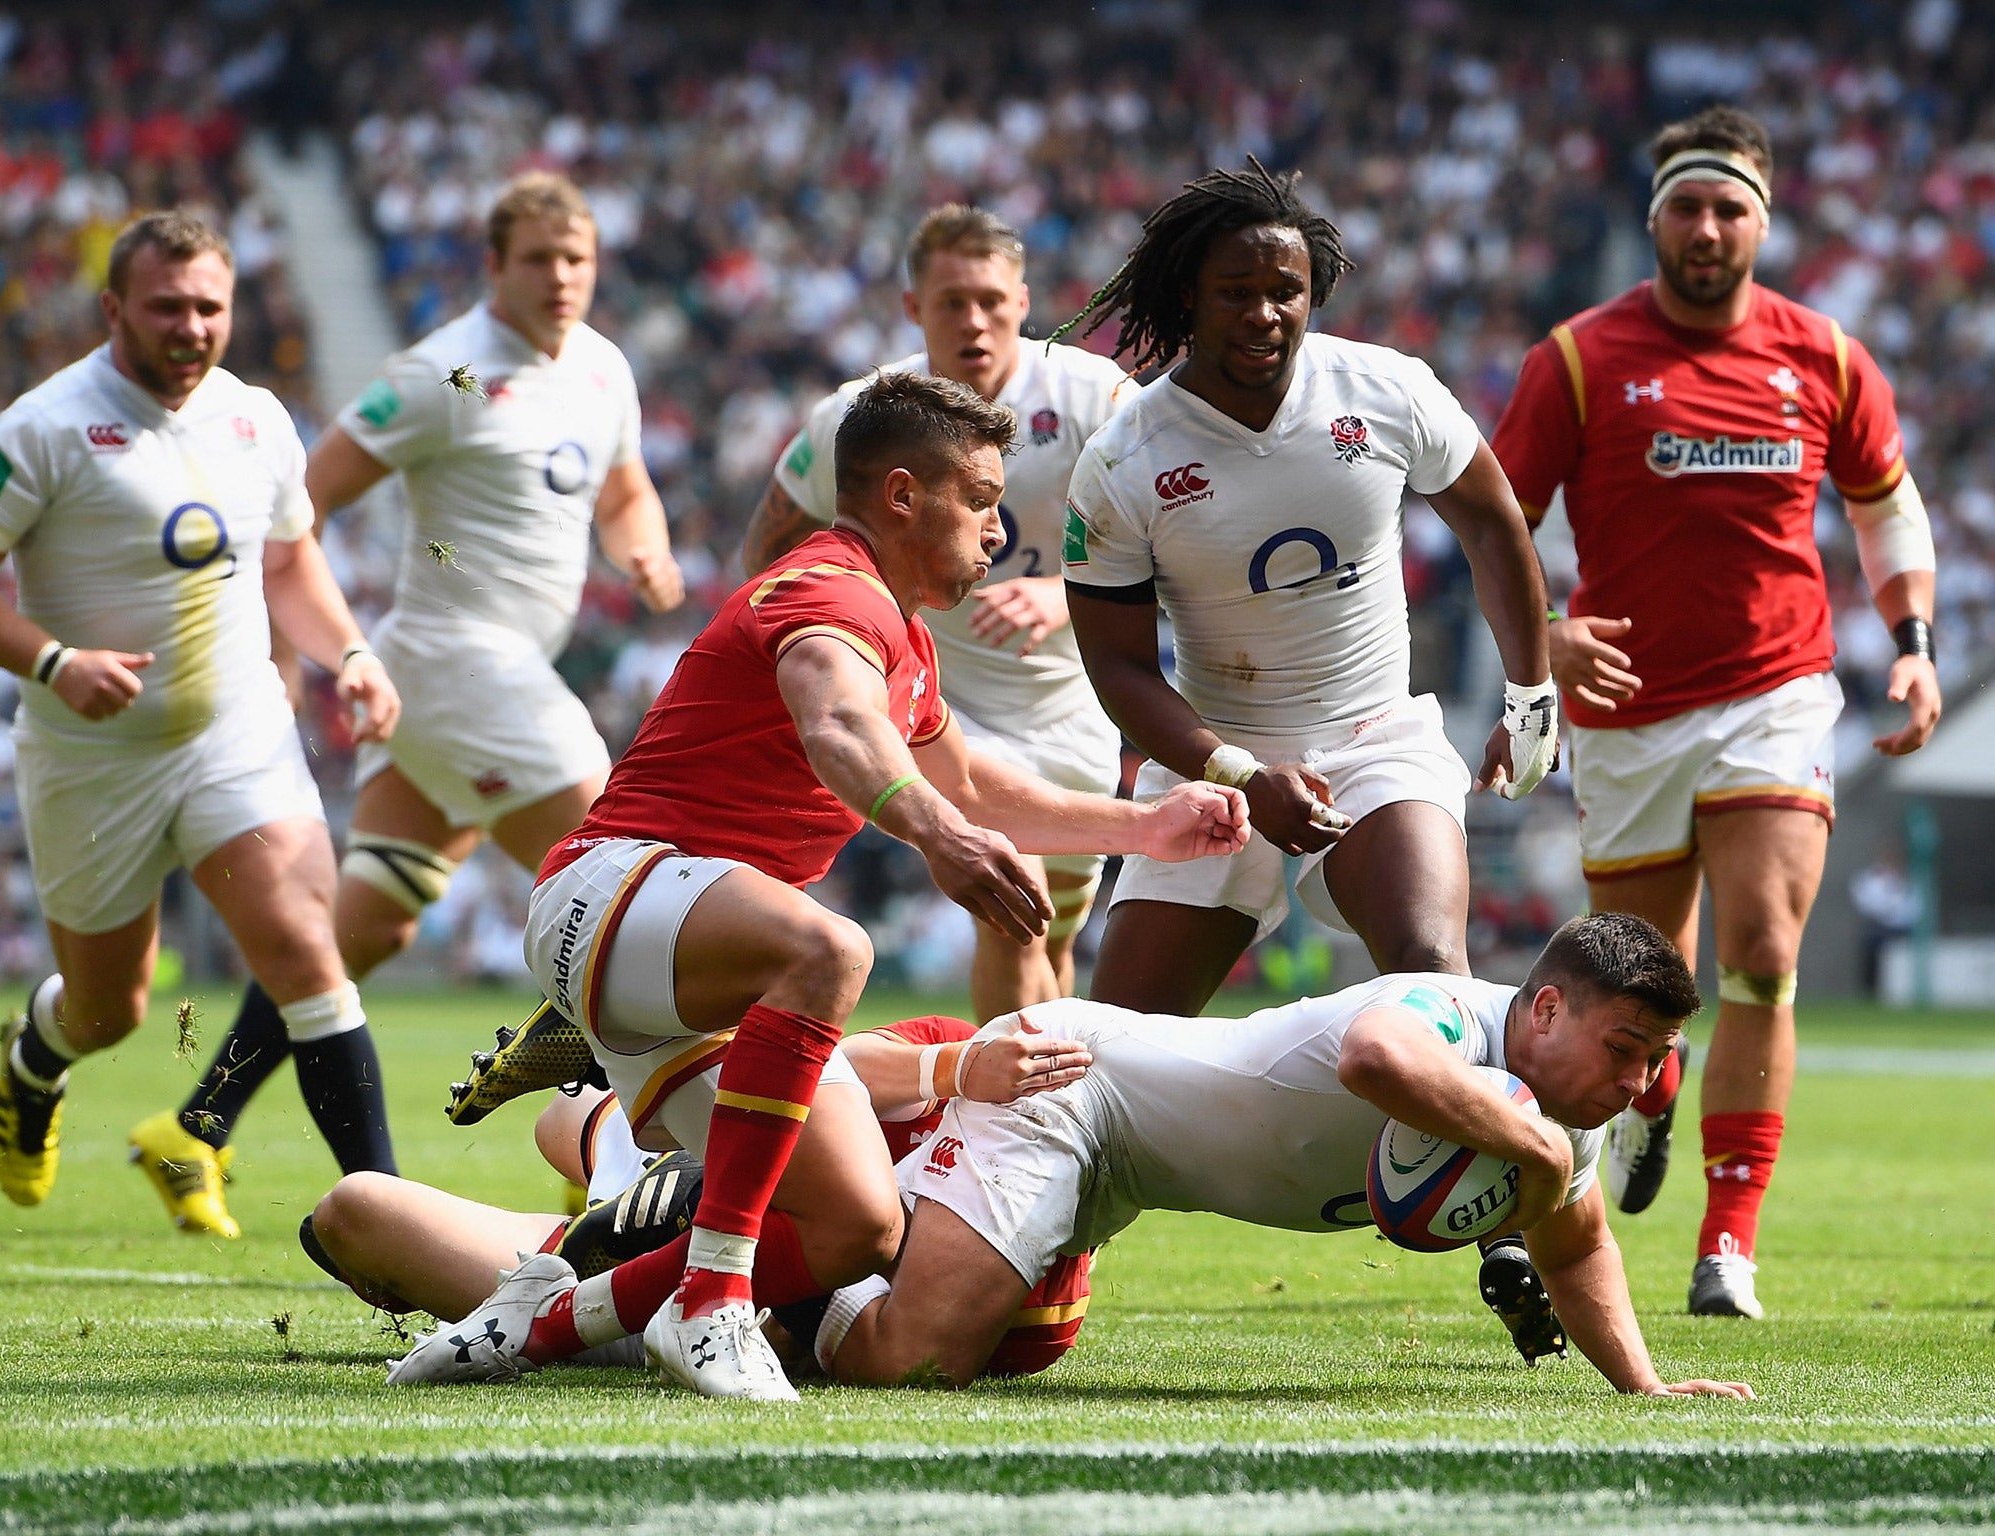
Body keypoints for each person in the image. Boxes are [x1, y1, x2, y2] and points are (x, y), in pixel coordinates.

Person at [390, 371, 1248, 1401]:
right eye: (978, 499)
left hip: (706, 980)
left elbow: (970, 787)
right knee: (831, 947)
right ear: (898, 494)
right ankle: (708, 1301)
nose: (994, 531)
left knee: (852, 1229)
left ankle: (553, 1315)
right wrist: (939, 840)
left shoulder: (907, 642)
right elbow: (837, 723)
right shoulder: (830, 590)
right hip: (609, 889)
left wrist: (1145, 825)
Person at [1056, 159, 1559, 1347]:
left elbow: (1490, 515)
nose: (1264, 314)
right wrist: (1233, 772)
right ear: (1187, 297)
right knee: (1104, 1047)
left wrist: (1530, 693)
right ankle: (1023, 1259)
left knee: (1430, 961)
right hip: (1212, 763)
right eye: (1235, 291)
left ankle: (1497, 1228)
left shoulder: (1381, 389)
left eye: (1285, 289)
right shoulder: (1125, 458)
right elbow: (1120, 670)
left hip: (1374, 737)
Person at [153, 174, 686, 1226]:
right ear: (493, 268)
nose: (560, 278)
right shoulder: (444, 370)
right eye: (537, 259)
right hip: (454, 660)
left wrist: (645, 552)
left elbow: (624, 490)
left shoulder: (601, 369)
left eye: (575, 258)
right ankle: (630, 1159)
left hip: (473, 676)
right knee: (629, 882)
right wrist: (299, 633)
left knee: (365, 931)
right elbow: (302, 497)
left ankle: (192, 1128)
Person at [1491, 107, 1941, 1320]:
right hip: (1627, 709)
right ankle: (1648, 1094)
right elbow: (1495, 518)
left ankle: (1724, 1242)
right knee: (1634, 990)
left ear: (1762, 218)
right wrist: (1542, 640)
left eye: (1728, 206)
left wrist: (1910, 646)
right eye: (1685, 207)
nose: (1706, 227)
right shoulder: (1577, 359)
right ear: (1652, 221)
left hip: (1775, 690)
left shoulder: (1827, 358)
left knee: (1761, 954)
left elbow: (1886, 511)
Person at [0, 212, 402, 1230]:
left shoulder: (257, 419)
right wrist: (53, 663)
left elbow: (289, 562)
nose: (191, 326)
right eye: (166, 307)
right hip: (90, 757)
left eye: (209, 307)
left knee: (306, 956)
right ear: (114, 308)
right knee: (111, 1009)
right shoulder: (46, 427)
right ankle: (37, 1058)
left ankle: (397, 1228)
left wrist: (353, 655)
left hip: (234, 732)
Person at [814, 914, 1748, 1400]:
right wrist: (1539, 1146)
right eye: (1622, 1048)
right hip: (1071, 1088)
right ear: (1546, 1009)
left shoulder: (1573, 1113)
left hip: (1129, 1177)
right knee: (917, 1364)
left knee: (1018, 1348)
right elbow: (1373, 1058)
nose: (1636, 1083)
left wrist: (1647, 1385)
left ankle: (819, 1248)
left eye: (1654, 1061)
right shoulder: (1448, 1014)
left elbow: (1578, 1249)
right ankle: (783, 1259)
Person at [743, 206, 1132, 1022]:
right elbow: (769, 548)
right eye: (951, 302)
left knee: (1049, 935)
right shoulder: (864, 417)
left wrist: (1064, 593)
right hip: (945, 713)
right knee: (1008, 917)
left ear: (1023, 301)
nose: (974, 320)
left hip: (1072, 710)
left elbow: (1182, 544)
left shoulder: (1096, 398)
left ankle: (1058, 1115)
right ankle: (1016, 1125)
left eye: (990, 300)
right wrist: (861, 633)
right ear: (914, 307)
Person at [314, 1016, 1093, 1380]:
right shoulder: (998, 1061)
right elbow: (844, 1060)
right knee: (581, 1127)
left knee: (357, 1211)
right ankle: (618, 1091)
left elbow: (860, 1340)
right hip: (710, 1177)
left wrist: (693, 1215)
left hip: (672, 1281)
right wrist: (953, 1070)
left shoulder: (1029, 1300)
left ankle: (624, 1080)